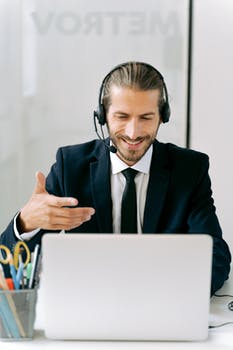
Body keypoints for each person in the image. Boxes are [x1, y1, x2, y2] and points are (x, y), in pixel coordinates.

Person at [0, 61, 231, 295]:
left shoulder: (190, 169)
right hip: (89, 303)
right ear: (103, 116)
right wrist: (26, 222)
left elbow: (216, 258)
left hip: (161, 302)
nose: (133, 132)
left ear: (163, 116)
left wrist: (164, 293)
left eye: (146, 117)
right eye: (122, 116)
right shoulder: (70, 166)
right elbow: (10, 268)